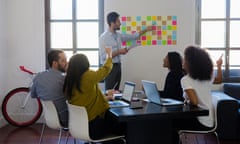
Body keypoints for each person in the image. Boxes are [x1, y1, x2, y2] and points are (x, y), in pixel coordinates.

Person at [63, 47, 124, 140]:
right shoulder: (88, 75)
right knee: (125, 125)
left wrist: (106, 97)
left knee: (114, 120)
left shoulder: (69, 80)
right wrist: (109, 55)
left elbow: (86, 97)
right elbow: (106, 69)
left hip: (79, 127)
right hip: (94, 129)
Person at [173, 45, 223, 143]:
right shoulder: (207, 76)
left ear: (190, 62)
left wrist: (187, 99)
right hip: (210, 121)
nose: (183, 60)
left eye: (185, 58)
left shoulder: (185, 80)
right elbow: (219, 80)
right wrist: (219, 66)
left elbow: (194, 102)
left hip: (201, 122)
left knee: (169, 123)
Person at [99, 11, 152, 90]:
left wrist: (146, 30)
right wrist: (119, 51)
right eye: (118, 21)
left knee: (116, 91)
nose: (120, 23)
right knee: (109, 91)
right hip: (109, 68)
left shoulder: (118, 35)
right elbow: (105, 56)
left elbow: (134, 36)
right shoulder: (104, 37)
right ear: (112, 23)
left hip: (118, 66)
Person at [31, 49, 69, 128]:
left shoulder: (38, 77)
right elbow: (73, 97)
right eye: (63, 61)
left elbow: (33, 95)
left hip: (49, 120)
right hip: (66, 120)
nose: (66, 63)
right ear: (54, 63)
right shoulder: (64, 79)